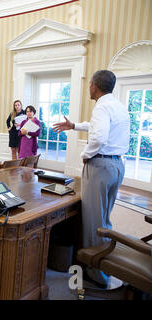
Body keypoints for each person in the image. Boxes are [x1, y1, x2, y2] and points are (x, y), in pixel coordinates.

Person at [52, 70, 129, 288]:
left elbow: (99, 136)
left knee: (93, 221)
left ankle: (96, 273)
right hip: (116, 166)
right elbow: (98, 128)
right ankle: (104, 260)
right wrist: (75, 125)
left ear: (95, 85)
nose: (89, 88)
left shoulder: (102, 107)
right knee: (104, 218)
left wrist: (86, 154)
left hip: (101, 166)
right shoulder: (118, 106)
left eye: (90, 85)